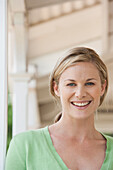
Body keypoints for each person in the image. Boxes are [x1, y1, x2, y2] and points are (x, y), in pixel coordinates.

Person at [5, 47, 113, 170]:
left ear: (102, 87)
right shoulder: (24, 145)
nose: (80, 93)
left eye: (89, 83)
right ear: (56, 88)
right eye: (71, 84)